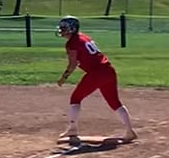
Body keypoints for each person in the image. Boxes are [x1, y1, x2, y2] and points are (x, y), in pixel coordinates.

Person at [57, 15, 136, 144]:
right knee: (114, 102)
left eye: (64, 28)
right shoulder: (83, 37)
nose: (62, 30)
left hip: (97, 73)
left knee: (75, 98)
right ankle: (129, 131)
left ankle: (72, 129)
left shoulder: (72, 43)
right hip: (108, 70)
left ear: (72, 28)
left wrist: (63, 77)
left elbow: (72, 64)